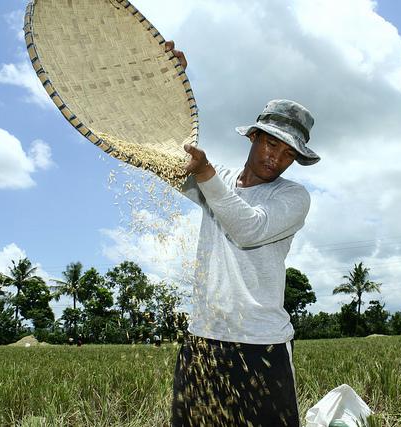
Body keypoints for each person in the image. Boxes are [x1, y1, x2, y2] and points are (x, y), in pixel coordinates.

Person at [168, 38, 320, 427]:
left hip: (261, 346)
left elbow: (247, 228)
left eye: (289, 153)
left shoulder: (292, 196)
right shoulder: (220, 183)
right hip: (203, 340)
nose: (277, 158)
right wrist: (166, 83)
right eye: (272, 143)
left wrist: (204, 173)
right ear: (253, 137)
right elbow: (165, 159)